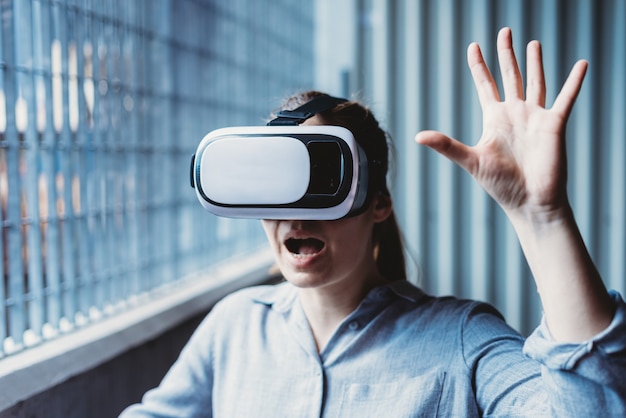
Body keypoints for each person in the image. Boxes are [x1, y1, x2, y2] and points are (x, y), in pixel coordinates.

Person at [120, 28, 626, 417]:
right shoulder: (235, 327)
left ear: (378, 201)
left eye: (320, 182)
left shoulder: (461, 341)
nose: (294, 214)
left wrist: (544, 219)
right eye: (275, 184)